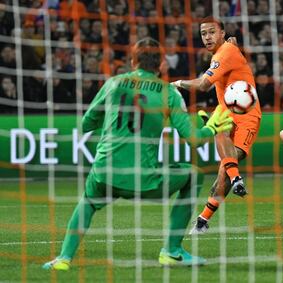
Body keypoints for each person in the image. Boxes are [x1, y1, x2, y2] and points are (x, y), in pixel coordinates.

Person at [42, 37, 233, 270]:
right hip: (144, 180)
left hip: (105, 172)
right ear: (161, 65)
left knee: (88, 202)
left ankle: (63, 259)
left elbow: (86, 124)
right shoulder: (169, 93)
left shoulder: (113, 83)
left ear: (133, 61)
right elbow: (193, 140)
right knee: (193, 175)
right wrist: (211, 128)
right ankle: (172, 251)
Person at [171, 17, 261, 234]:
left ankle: (205, 216)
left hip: (247, 114)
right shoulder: (223, 52)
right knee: (220, 138)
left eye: (212, 32)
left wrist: (177, 83)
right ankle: (231, 184)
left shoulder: (226, 52)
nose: (207, 37)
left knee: (225, 168)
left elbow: (203, 85)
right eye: (203, 33)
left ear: (221, 33)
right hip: (226, 111)